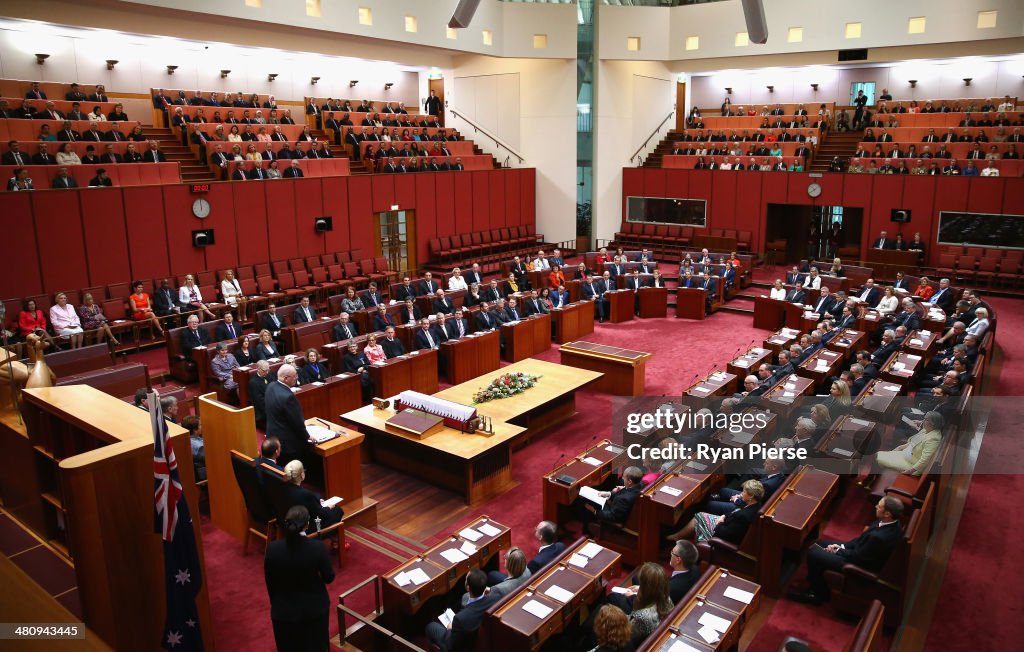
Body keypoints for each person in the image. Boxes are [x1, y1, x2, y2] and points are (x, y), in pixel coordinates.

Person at [788, 497, 904, 605]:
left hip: (858, 565)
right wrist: (842, 546)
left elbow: (858, 558)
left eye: (879, 506)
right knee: (820, 543)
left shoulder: (880, 538)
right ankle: (814, 580)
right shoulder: (890, 522)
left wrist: (838, 550)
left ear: (887, 514)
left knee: (814, 553)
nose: (875, 507)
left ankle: (818, 594)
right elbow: (859, 540)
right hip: (859, 552)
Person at [264, 505, 335, 652]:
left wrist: (278, 604)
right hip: (314, 611)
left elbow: (270, 582)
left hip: (284, 613)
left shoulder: (272, 549)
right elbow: (329, 577)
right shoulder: (317, 548)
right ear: (307, 524)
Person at [424, 569, 498, 652]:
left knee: (431, 626)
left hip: (462, 646)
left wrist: (450, 628)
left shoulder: (460, 619)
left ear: (468, 587)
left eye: (466, 578)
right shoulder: (495, 598)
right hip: (480, 640)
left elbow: (450, 644)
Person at [668, 479, 764, 542]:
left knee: (699, 517)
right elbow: (734, 512)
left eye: (744, 492)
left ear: (751, 496)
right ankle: (679, 537)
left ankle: (678, 538)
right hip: (726, 522)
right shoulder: (756, 504)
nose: (741, 493)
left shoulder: (744, 516)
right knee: (700, 515)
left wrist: (719, 523)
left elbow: (726, 534)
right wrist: (724, 516)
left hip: (721, 532)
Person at [265, 364, 309, 467]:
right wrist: (307, 436)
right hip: (288, 442)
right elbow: (297, 423)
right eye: (294, 376)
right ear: (286, 378)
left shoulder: (270, 386)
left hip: (273, 436)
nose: (297, 378)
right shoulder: (288, 397)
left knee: (282, 466)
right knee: (293, 470)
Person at [875, 412, 944, 474]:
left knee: (876, 458)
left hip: (910, 464)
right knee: (876, 455)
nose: (922, 421)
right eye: (924, 418)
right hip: (904, 455)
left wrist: (910, 471)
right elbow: (913, 443)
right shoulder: (927, 429)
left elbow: (924, 460)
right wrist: (900, 447)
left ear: (933, 423)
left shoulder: (933, 439)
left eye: (926, 420)